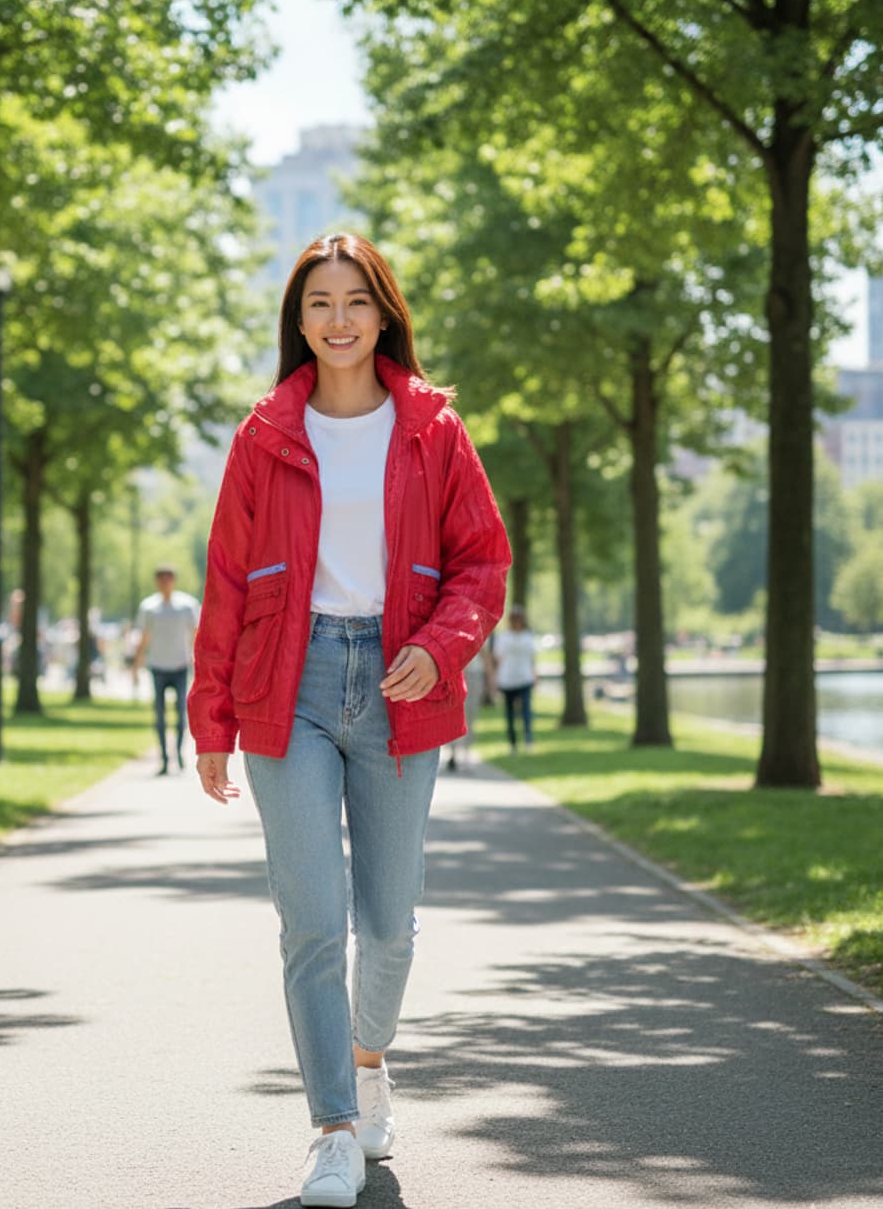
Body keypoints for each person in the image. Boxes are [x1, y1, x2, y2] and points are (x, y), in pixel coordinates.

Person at [189, 233, 511, 1208]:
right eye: (318, 303)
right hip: (285, 684)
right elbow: (226, 582)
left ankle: (370, 1059)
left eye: (354, 301)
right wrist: (211, 720)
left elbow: (483, 562)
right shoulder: (263, 434)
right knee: (314, 923)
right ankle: (333, 1127)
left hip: (402, 680)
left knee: (390, 928)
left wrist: (443, 643)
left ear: (384, 312)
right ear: (299, 319)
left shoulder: (434, 429)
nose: (337, 319)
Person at [134, 566, 200, 775]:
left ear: (174, 580)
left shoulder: (187, 605)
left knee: (181, 712)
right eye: (161, 578)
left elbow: (196, 634)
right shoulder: (149, 607)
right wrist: (136, 665)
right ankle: (163, 758)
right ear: (156, 581)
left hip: (180, 666)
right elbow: (144, 638)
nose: (165, 582)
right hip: (158, 666)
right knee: (160, 714)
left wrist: (198, 660)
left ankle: (179, 753)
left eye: (168, 577)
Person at [492, 605, 537, 751]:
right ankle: (513, 743)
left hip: (525, 678)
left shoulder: (528, 636)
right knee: (510, 712)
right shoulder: (504, 637)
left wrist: (535, 675)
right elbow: (498, 658)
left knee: (526, 710)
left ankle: (528, 739)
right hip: (507, 680)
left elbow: (532, 658)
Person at [449, 638, 495, 771]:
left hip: (474, 676)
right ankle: (454, 752)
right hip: (457, 674)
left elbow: (485, 655)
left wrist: (491, 680)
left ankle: (466, 753)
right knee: (455, 715)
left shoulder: (478, 626)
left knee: (470, 716)